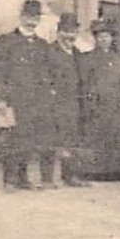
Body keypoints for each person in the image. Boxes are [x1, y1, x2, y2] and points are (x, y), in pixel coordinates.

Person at [0, 0, 53, 191]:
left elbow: (47, 74)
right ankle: (10, 180)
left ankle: (23, 178)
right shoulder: (6, 41)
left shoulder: (42, 45)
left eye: (36, 17)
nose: (32, 21)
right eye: (28, 16)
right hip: (13, 100)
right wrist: (0, 98)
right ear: (21, 16)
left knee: (29, 140)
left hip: (36, 101)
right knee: (12, 140)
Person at [76, 16, 120, 181]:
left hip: (115, 106)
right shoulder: (87, 58)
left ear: (112, 38)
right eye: (100, 36)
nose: (103, 39)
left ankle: (116, 170)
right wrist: (90, 99)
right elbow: (84, 81)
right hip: (96, 105)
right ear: (95, 38)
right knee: (96, 136)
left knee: (115, 137)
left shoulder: (119, 60)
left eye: (107, 36)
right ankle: (95, 171)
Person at [42, 13, 85, 187]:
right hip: (53, 103)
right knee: (50, 140)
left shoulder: (78, 53)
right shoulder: (49, 51)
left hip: (72, 103)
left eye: (73, 32)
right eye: (66, 31)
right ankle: (47, 178)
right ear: (59, 32)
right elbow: (42, 76)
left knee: (72, 140)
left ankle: (70, 176)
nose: (70, 36)